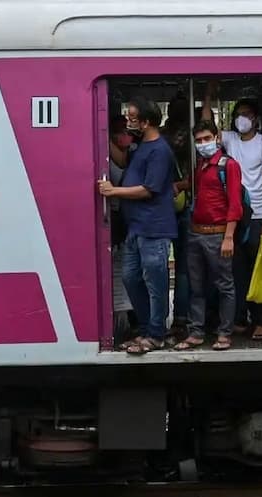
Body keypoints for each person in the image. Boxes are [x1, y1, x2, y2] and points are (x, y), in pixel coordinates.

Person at [99, 97, 177, 354]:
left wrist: (114, 191)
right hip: (136, 227)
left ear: (146, 122)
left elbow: (148, 190)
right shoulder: (141, 145)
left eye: (132, 118)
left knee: (155, 283)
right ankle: (145, 329)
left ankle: (156, 334)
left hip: (153, 228)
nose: (129, 121)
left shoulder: (159, 150)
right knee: (131, 278)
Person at [202, 82, 262, 340]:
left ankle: (261, 321)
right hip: (234, 217)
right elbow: (207, 128)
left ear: (255, 118)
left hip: (256, 217)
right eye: (237, 114)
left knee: (260, 271)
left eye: (245, 114)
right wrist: (209, 99)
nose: (240, 119)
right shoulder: (231, 139)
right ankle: (239, 319)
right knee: (236, 271)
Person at [174, 119, 242, 351]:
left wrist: (229, 237)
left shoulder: (228, 166)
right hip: (196, 233)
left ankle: (224, 333)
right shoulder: (201, 166)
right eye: (198, 140)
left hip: (218, 234)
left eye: (206, 139)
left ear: (217, 138)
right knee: (197, 286)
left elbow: (235, 204)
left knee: (224, 285)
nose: (202, 144)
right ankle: (196, 332)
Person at [161, 95, 193, 339]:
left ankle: (158, 319)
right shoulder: (189, 135)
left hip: (160, 207)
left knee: (158, 266)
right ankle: (180, 317)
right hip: (185, 204)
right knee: (183, 265)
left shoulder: (159, 136)